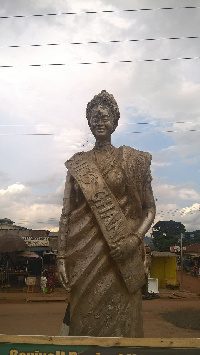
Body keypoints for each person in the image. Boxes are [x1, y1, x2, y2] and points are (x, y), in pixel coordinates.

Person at [57, 90, 156, 337]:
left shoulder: (132, 160)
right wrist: (60, 257)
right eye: (94, 117)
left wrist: (133, 241)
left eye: (104, 116)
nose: (99, 121)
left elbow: (150, 209)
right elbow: (66, 214)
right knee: (84, 323)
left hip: (122, 255)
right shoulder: (78, 164)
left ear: (115, 121)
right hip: (83, 255)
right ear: (88, 122)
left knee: (124, 327)